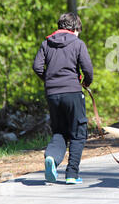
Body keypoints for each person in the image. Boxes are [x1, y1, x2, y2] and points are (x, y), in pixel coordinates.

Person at [32, 13, 93, 184]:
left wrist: (49, 80)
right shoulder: (78, 43)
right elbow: (87, 69)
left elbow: (37, 66)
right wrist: (86, 82)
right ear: (74, 29)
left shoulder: (46, 43)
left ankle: (51, 157)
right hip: (72, 92)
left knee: (59, 131)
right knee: (78, 132)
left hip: (52, 94)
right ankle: (72, 174)